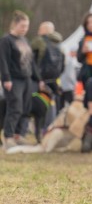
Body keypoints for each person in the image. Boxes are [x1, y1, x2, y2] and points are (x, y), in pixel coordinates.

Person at [0, 11, 44, 150]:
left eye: (27, 26)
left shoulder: (24, 40)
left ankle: (19, 135)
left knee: (25, 108)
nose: (25, 29)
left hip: (27, 79)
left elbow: (31, 62)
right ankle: (8, 137)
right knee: (15, 107)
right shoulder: (6, 40)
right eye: (22, 26)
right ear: (15, 24)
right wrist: (6, 78)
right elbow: (3, 61)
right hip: (13, 79)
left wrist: (39, 79)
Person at [31, 21, 65, 121]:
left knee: (32, 102)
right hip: (54, 80)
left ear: (43, 30)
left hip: (38, 80)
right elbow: (63, 65)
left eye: (39, 29)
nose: (38, 31)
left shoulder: (39, 41)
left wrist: (37, 78)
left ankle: (27, 128)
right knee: (51, 103)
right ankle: (49, 126)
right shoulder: (60, 45)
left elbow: (31, 60)